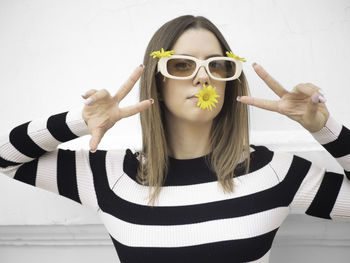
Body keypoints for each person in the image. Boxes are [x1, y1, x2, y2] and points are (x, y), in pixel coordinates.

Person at [0, 15, 349, 263]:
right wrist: (82, 119)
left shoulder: (275, 172)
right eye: (182, 65)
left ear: (228, 82)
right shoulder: (108, 175)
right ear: (157, 79)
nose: (202, 78)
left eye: (217, 66)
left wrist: (322, 126)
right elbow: (5, 158)